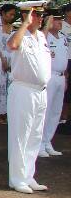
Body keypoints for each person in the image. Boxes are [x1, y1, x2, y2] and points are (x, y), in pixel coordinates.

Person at [5, 0, 51, 194]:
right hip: (23, 90)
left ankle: (28, 175)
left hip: (40, 91)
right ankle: (17, 178)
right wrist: (25, 23)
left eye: (41, 15)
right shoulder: (20, 35)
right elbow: (12, 45)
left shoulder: (40, 36)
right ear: (28, 16)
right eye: (37, 15)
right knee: (20, 135)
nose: (40, 19)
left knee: (35, 136)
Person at [40, 9, 67, 157]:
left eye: (60, 19)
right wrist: (46, 26)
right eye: (56, 20)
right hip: (49, 76)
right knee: (46, 110)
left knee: (56, 112)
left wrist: (66, 78)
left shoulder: (62, 37)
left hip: (61, 77)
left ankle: (47, 141)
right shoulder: (45, 36)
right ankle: (39, 144)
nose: (59, 22)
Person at [0, 3, 18, 125]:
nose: (11, 17)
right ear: (3, 13)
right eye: (10, 14)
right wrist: (2, 58)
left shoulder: (14, 26)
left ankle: (3, 113)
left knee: (7, 87)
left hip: (10, 59)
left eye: (13, 15)